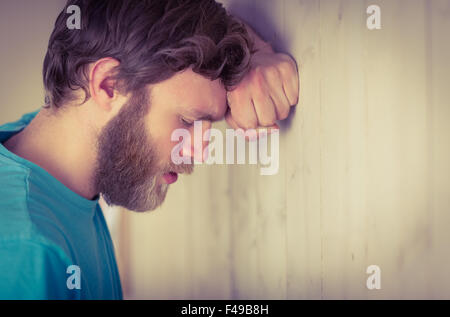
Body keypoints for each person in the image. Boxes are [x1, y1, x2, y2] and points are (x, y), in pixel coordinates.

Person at [0, 0, 299, 299]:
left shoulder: (32, 147)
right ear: (108, 84)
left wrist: (255, 54)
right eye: (189, 120)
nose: (197, 152)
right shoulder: (27, 254)